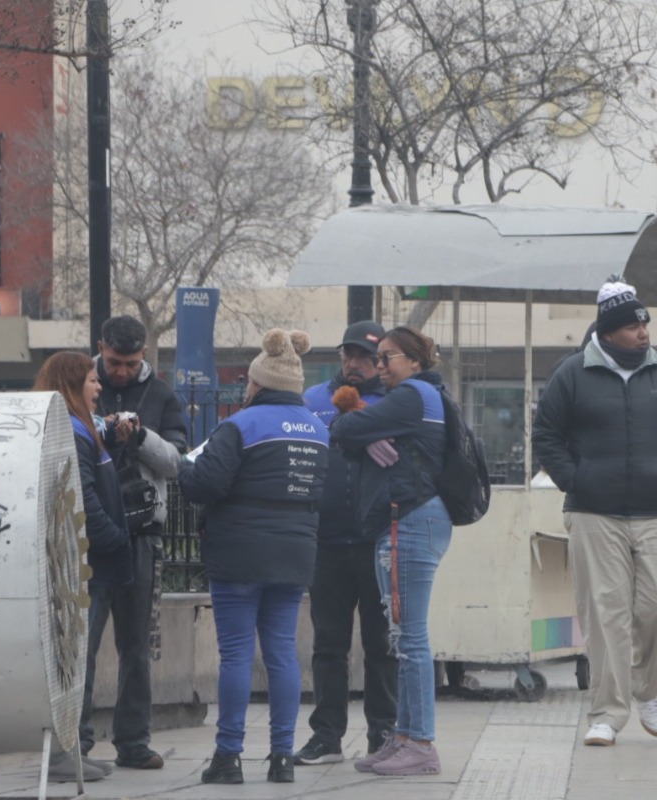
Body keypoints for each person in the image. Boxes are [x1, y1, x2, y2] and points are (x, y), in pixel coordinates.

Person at [533, 277, 657, 747]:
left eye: (645, 322)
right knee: (606, 615)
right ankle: (607, 713)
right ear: (609, 331)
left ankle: (646, 690)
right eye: (633, 325)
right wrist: (577, 479)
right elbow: (546, 436)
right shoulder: (572, 374)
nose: (643, 331)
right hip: (595, 513)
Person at [177, 329, 329, 784]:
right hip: (296, 549)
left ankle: (228, 757)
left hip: (239, 552)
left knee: (237, 654)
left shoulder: (240, 425)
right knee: (283, 652)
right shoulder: (319, 431)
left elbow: (205, 485)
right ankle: (283, 757)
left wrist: (184, 467)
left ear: (259, 383)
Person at [327, 326, 452, 776]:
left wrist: (358, 433)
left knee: (411, 638)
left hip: (411, 520)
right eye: (377, 359)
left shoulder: (412, 395)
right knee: (401, 636)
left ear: (416, 361)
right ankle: (403, 736)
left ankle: (420, 743)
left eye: (388, 358)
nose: (379, 367)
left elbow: (342, 424)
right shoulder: (424, 396)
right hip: (411, 520)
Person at [83, 315, 187, 772]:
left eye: (129, 363)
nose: (120, 372)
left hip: (141, 532)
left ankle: (133, 741)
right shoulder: (79, 383)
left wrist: (141, 437)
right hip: (91, 535)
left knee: (136, 646)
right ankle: (78, 742)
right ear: (100, 348)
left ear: (143, 354)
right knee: (82, 646)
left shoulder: (162, 394)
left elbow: (177, 461)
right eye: (112, 362)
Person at [294, 320, 399, 765]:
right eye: (348, 356)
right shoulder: (315, 401)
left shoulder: (398, 401)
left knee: (382, 644)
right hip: (328, 540)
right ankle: (326, 736)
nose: (354, 365)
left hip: (379, 541)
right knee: (328, 645)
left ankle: (384, 733)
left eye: (364, 357)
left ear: (380, 361)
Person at [33, 352, 132, 783]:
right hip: (87, 565)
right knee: (76, 664)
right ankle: (64, 752)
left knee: (83, 663)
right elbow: (83, 498)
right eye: (92, 380)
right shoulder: (74, 433)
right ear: (73, 385)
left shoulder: (85, 429)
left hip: (96, 563)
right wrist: (116, 536)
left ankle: (74, 747)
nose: (99, 388)